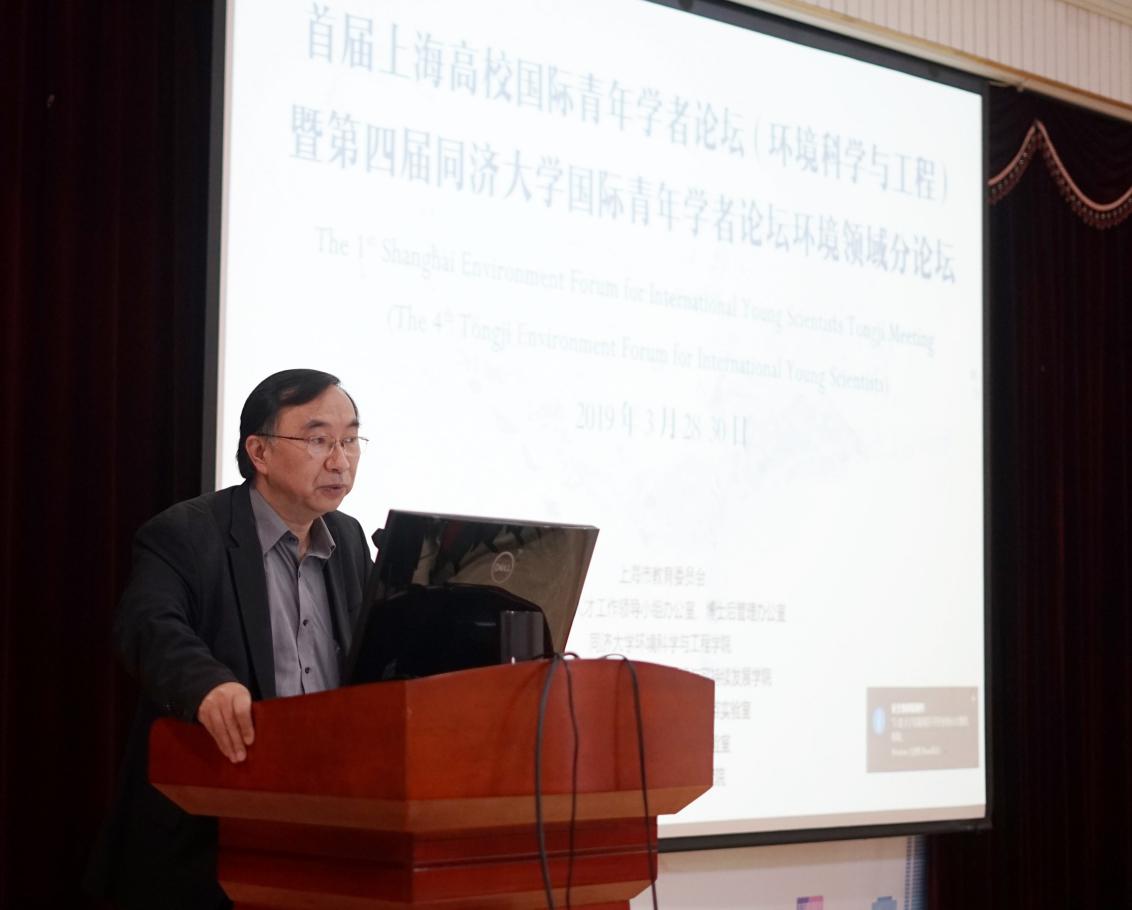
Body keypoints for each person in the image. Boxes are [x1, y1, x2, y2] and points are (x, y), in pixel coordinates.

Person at [85, 369, 373, 909]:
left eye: (351, 440)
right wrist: (208, 686)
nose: (340, 461)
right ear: (258, 452)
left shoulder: (350, 540)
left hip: (326, 830)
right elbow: (148, 623)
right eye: (318, 440)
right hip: (211, 840)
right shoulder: (188, 533)